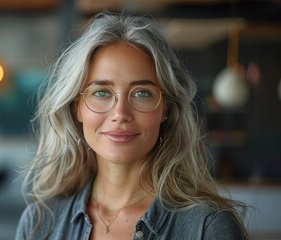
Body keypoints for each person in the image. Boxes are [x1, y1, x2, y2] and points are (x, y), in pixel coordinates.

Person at [15, 11, 248, 240]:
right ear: (77, 107)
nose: (120, 113)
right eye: (102, 92)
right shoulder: (39, 224)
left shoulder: (208, 228)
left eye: (142, 93)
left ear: (165, 108)